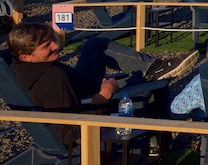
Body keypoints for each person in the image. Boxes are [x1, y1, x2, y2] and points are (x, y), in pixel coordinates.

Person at [7, 23, 196, 146]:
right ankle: (164, 145)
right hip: (92, 104)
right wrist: (105, 94)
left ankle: (155, 68)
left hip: (80, 88)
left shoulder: (19, 67)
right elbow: (69, 132)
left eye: (52, 40)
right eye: (46, 47)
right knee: (156, 83)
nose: (55, 46)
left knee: (95, 45)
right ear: (26, 56)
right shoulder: (50, 79)